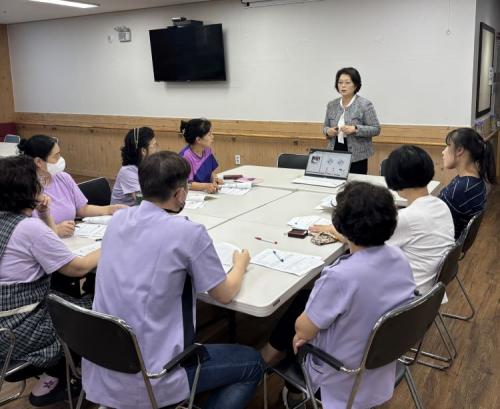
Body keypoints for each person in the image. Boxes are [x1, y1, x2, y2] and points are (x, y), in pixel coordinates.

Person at [82, 151, 263, 409]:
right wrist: (240, 265)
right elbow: (224, 294)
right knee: (252, 363)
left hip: (103, 366)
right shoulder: (188, 232)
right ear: (180, 194)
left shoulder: (119, 219)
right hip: (154, 377)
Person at [261, 182, 415, 409]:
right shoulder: (398, 257)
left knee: (297, 332)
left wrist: (302, 335)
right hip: (381, 365)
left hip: (341, 377)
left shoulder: (340, 277)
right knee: (304, 302)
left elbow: (303, 330)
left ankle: (290, 389)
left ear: (340, 223)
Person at [0, 155, 99, 407]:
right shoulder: (28, 228)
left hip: (6, 320)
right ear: (29, 190)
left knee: (70, 298)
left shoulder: (8, 221)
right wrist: (110, 243)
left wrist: (44, 213)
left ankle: (58, 374)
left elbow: (49, 244)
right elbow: (77, 268)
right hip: (19, 331)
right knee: (95, 310)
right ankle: (69, 376)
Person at [17, 135, 126, 238]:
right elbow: (23, 230)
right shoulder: (25, 188)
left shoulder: (63, 178)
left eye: (60, 154)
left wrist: (109, 209)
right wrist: (55, 230)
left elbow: (82, 209)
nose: (60, 160)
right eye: (56, 156)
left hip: (73, 238)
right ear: (38, 162)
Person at [384, 145, 455, 295]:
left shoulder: (406, 218)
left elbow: (367, 246)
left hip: (409, 297)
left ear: (396, 179)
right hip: (431, 295)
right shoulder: (441, 205)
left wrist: (334, 229)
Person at [439, 127, 496, 239]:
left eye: (448, 146)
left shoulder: (462, 189)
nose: (443, 152)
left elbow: (430, 217)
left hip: (440, 242)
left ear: (460, 150)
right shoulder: (475, 181)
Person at [323, 67, 380, 174]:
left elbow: (376, 129)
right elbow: (325, 127)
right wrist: (328, 131)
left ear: (355, 85)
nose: (343, 86)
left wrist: (355, 129)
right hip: (334, 151)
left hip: (357, 155)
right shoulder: (332, 105)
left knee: (354, 183)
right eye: (340, 82)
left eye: (347, 82)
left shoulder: (364, 104)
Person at [111, 127, 159, 206]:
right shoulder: (127, 172)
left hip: (137, 210)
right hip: (123, 213)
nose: (157, 149)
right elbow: (141, 201)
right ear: (143, 151)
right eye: (154, 145)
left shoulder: (146, 165)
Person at [179, 118, 223, 193]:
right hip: (192, 195)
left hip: (206, 192)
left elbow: (210, 172)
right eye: (209, 134)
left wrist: (214, 180)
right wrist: (206, 186)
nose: (212, 137)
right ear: (198, 140)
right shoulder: (185, 157)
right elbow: (187, 184)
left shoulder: (207, 149)